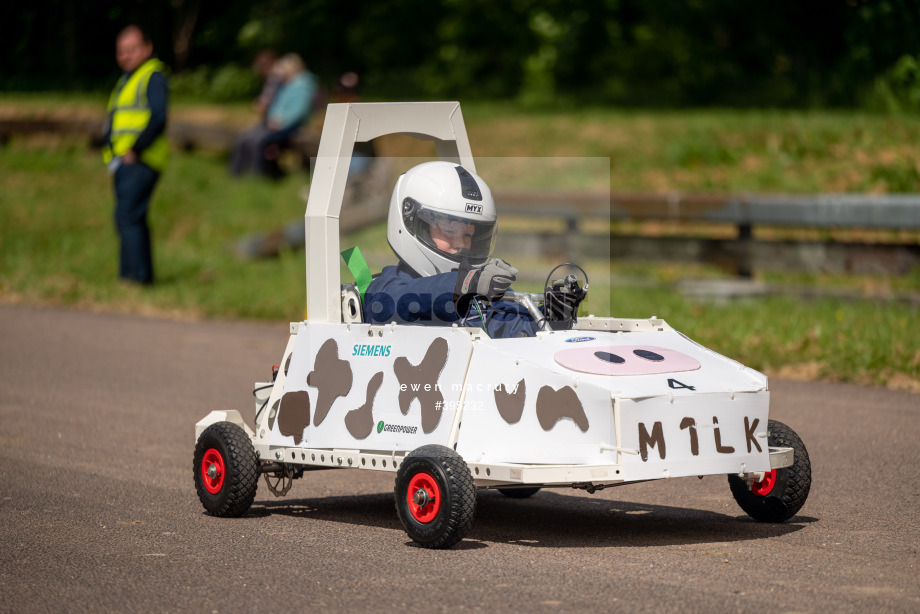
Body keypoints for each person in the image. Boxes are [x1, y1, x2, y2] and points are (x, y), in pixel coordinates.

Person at [363, 161, 540, 338]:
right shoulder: (384, 290)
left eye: (467, 235)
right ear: (414, 223)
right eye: (449, 232)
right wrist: (462, 284)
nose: (461, 244)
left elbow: (517, 326)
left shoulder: (476, 298)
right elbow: (391, 304)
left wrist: (555, 314)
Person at [103, 25, 169, 285]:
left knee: (127, 217)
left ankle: (134, 278)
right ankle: (138, 277)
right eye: (121, 51)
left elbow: (159, 118)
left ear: (147, 48)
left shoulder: (152, 76)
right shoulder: (127, 79)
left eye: (132, 49)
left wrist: (135, 149)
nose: (126, 56)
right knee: (132, 218)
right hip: (122, 162)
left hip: (141, 161)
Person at [230, 53, 317, 177]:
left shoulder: (303, 86)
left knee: (259, 141)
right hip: (273, 123)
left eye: (283, 69)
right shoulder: (286, 85)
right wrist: (271, 119)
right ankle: (237, 174)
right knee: (245, 137)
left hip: (290, 126)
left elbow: (298, 111)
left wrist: (280, 122)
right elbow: (275, 107)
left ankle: (258, 176)